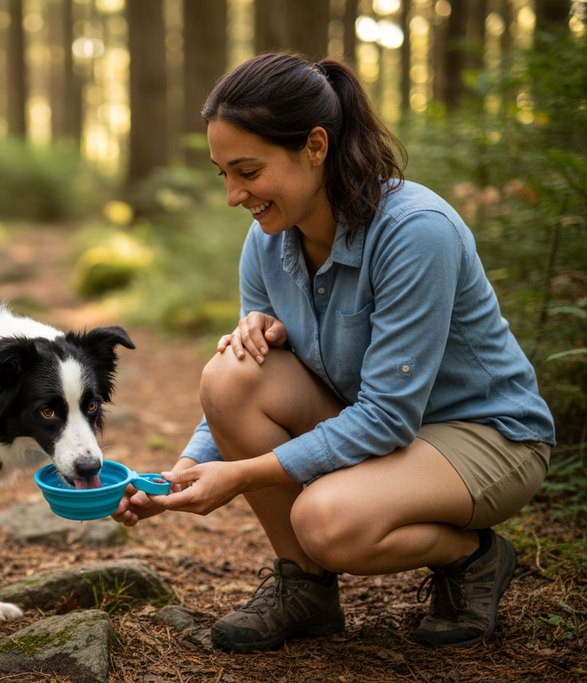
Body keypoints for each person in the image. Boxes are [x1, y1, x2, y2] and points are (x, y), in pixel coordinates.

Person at [111, 52, 555, 652]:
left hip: (486, 435)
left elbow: (389, 415)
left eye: (248, 170)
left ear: (315, 146)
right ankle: (306, 587)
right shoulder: (267, 241)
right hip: (381, 430)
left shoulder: (415, 230)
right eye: (223, 175)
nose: (234, 195)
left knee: (325, 520)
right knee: (230, 372)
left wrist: (239, 476)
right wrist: (178, 476)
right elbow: (242, 393)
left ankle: (473, 556)